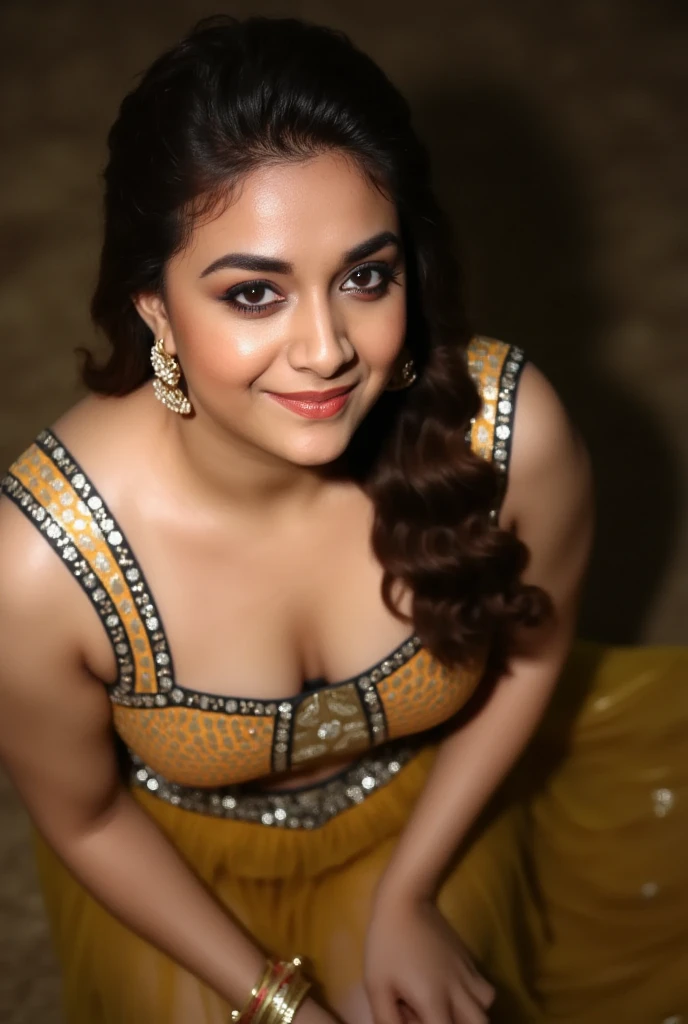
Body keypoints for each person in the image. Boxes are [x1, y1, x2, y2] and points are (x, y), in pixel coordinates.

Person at [0, 14, 685, 1024]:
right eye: (253, 294)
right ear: (153, 307)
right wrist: (276, 1000)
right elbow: (88, 814)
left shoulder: (508, 438)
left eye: (365, 277)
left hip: (435, 808)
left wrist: (409, 892)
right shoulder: (38, 566)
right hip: (179, 879)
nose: (325, 349)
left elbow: (534, 657)